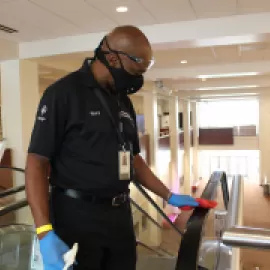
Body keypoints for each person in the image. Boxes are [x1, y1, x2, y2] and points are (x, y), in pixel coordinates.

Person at [25, 25, 199, 270]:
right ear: (113, 57)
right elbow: (36, 162)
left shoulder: (122, 100)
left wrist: (168, 195)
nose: (137, 79)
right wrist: (44, 231)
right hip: (76, 215)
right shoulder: (63, 93)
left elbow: (133, 158)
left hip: (119, 216)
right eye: (135, 71)